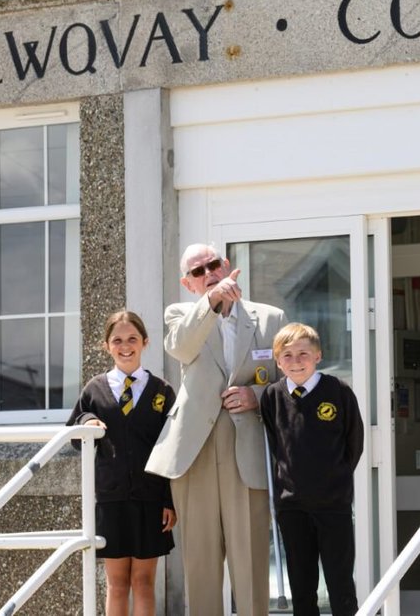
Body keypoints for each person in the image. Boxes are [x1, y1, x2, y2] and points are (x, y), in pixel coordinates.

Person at [145, 243, 287, 616]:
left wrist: (256, 394)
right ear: (188, 283)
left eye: (213, 265)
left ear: (227, 266)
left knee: (251, 560)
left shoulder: (270, 318)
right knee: (202, 565)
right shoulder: (180, 314)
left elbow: (287, 380)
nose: (208, 273)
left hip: (247, 448)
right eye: (197, 271)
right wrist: (209, 303)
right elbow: (179, 347)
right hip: (196, 451)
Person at [67, 310, 176, 616]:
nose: (125, 346)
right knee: (116, 584)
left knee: (143, 582)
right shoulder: (94, 389)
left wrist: (170, 499)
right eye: (117, 340)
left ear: (145, 342)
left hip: (151, 499)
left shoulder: (163, 391)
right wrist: (87, 421)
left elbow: (172, 447)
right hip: (111, 498)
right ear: (106, 346)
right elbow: (73, 433)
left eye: (132, 339)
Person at [260, 323, 365, 616]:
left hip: (333, 504)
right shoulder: (272, 397)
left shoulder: (338, 391)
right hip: (292, 506)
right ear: (278, 361)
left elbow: (353, 443)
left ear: (318, 355)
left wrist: (335, 479)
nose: (296, 361)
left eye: (303, 354)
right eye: (288, 355)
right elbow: (274, 445)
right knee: (302, 586)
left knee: (340, 582)